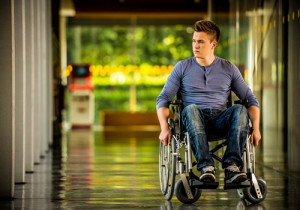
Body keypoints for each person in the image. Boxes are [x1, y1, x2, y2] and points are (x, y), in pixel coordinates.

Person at [156, 20, 261, 184]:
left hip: (221, 120)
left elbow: (251, 100)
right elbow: (163, 99)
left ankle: (232, 167)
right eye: (194, 41)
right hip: (193, 119)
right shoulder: (182, 68)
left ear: (213, 44)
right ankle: (206, 168)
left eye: (200, 42)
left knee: (240, 109)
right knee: (191, 109)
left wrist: (256, 128)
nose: (195, 45)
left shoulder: (229, 68)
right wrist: (164, 127)